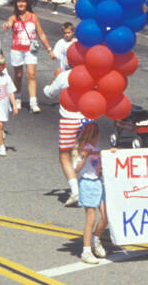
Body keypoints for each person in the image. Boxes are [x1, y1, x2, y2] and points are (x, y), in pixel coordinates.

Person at [44, 22, 84, 205]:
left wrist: (54, 77)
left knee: (64, 154)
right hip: (87, 118)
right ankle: (86, 186)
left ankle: (75, 190)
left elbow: (49, 93)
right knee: (84, 152)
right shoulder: (90, 73)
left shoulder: (64, 76)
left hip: (69, 118)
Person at [1, 0, 55, 112]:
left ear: (27, 4)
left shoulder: (33, 17)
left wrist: (49, 50)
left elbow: (41, 34)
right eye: (19, 2)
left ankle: (33, 102)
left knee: (31, 75)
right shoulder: (14, 17)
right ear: (15, 4)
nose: (21, 4)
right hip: (16, 50)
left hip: (30, 51)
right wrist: (7, 25)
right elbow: (9, 23)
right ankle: (18, 97)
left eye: (23, 2)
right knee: (18, 75)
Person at [75, 122, 109, 264]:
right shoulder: (82, 149)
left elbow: (100, 167)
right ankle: (86, 251)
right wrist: (83, 157)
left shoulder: (96, 149)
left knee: (106, 216)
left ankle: (96, 239)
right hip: (87, 184)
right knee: (91, 218)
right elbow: (76, 169)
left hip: (98, 183)